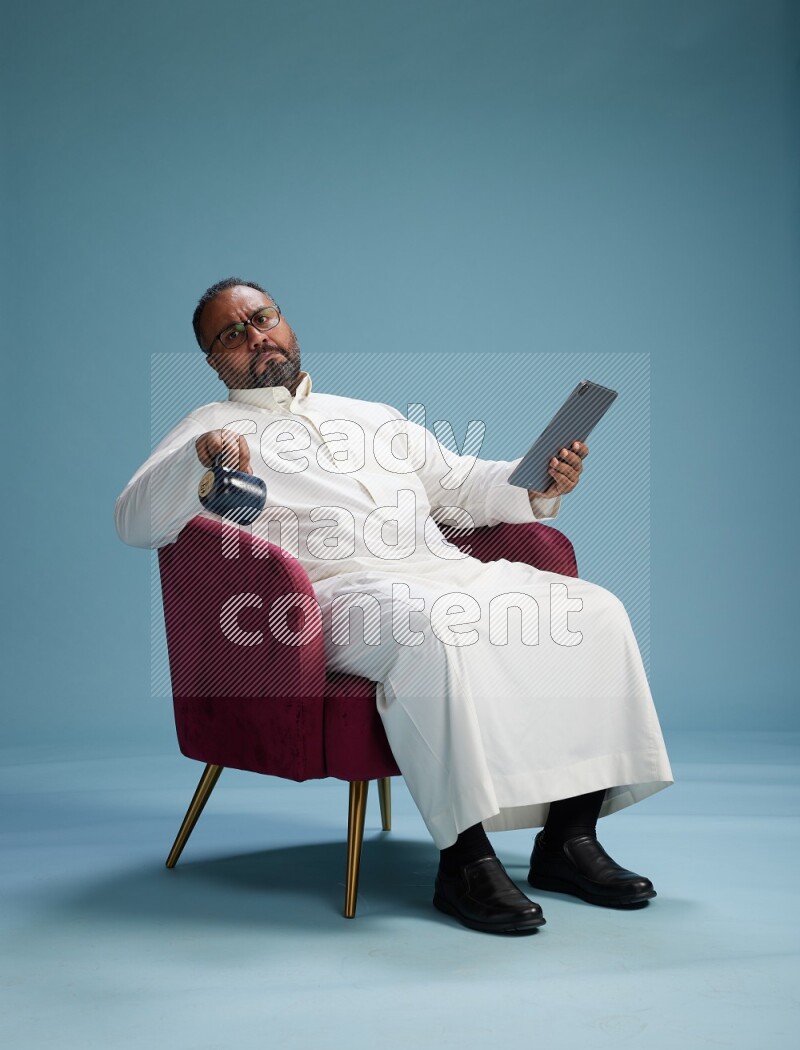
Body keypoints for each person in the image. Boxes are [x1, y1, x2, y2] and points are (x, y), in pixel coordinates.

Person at [115, 277, 674, 934]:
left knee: (592, 612)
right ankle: (465, 862)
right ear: (215, 361)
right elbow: (134, 520)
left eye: (262, 317)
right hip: (329, 598)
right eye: (232, 334)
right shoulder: (206, 429)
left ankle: (570, 840)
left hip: (443, 571)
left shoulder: (372, 417)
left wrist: (540, 478)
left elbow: (462, 486)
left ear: (285, 322)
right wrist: (197, 461)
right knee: (429, 630)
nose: (255, 337)